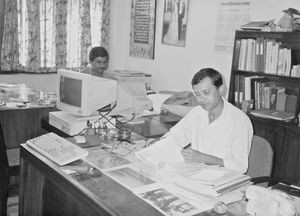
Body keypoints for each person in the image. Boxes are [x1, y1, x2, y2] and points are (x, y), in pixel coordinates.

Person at [138, 68, 253, 173]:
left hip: (223, 179)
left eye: (206, 93)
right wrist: (157, 143)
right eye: (197, 94)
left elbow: (240, 166)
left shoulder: (240, 121)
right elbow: (175, 137)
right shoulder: (197, 113)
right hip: (196, 174)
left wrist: (203, 158)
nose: (201, 99)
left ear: (221, 89)